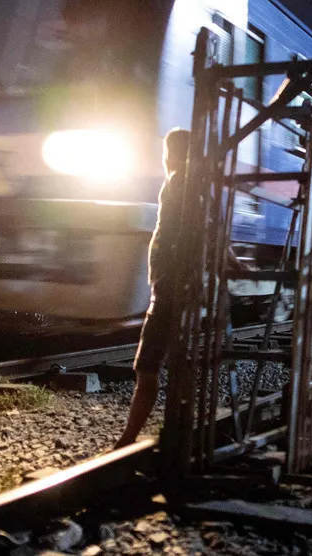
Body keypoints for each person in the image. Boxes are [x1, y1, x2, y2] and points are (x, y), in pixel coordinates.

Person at [114, 129, 248, 449]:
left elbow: (205, 230)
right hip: (181, 284)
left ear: (173, 152)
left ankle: (138, 438)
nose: (166, 156)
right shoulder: (200, 186)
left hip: (173, 284)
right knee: (179, 360)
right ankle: (178, 432)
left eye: (168, 150)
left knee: (148, 364)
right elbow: (212, 230)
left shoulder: (179, 180)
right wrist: (231, 261)